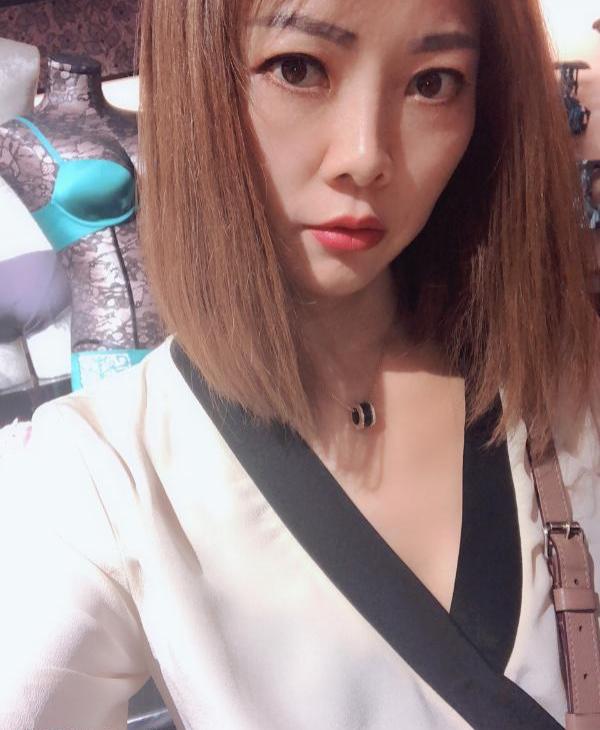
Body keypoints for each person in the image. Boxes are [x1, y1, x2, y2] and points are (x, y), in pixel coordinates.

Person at [1, 0, 599, 728]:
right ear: (200, 81)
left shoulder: (561, 378)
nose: (366, 156)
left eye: (434, 82)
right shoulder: (100, 475)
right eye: (297, 68)